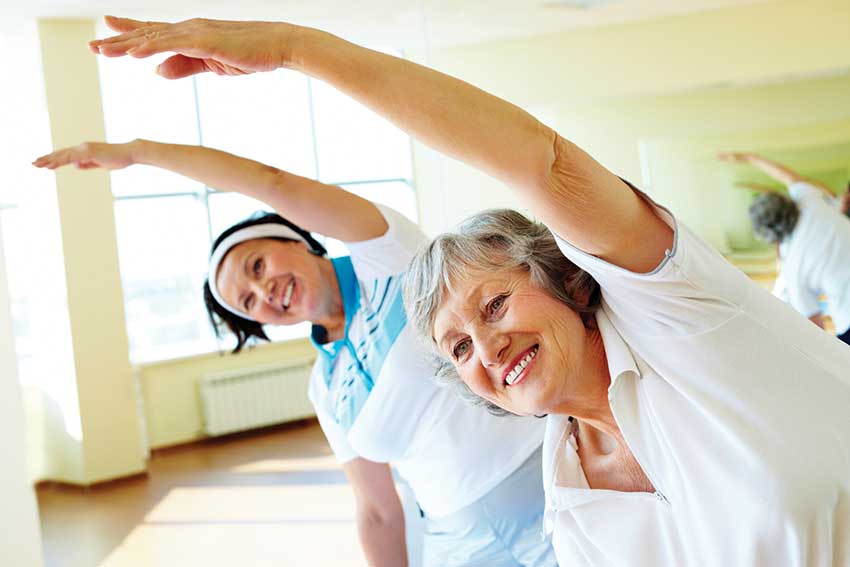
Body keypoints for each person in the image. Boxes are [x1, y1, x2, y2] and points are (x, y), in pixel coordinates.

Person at [83, 15, 850, 566]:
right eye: (456, 345)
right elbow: (380, 506)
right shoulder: (571, 497)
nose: (485, 346)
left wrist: (291, 49)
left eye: (493, 306)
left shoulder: (681, 317)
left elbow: (539, 163)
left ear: (566, 280)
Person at [33, 139, 556, 567]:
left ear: (294, 237)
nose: (265, 294)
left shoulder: (388, 257)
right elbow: (375, 509)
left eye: (257, 267)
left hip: (551, 488)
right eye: (248, 302)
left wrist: (138, 154)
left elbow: (271, 181)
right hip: (458, 542)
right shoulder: (325, 387)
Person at [720, 152, 850, 344]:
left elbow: (815, 327)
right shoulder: (810, 200)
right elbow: (787, 175)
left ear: (769, 237)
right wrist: (749, 158)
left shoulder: (793, 269)